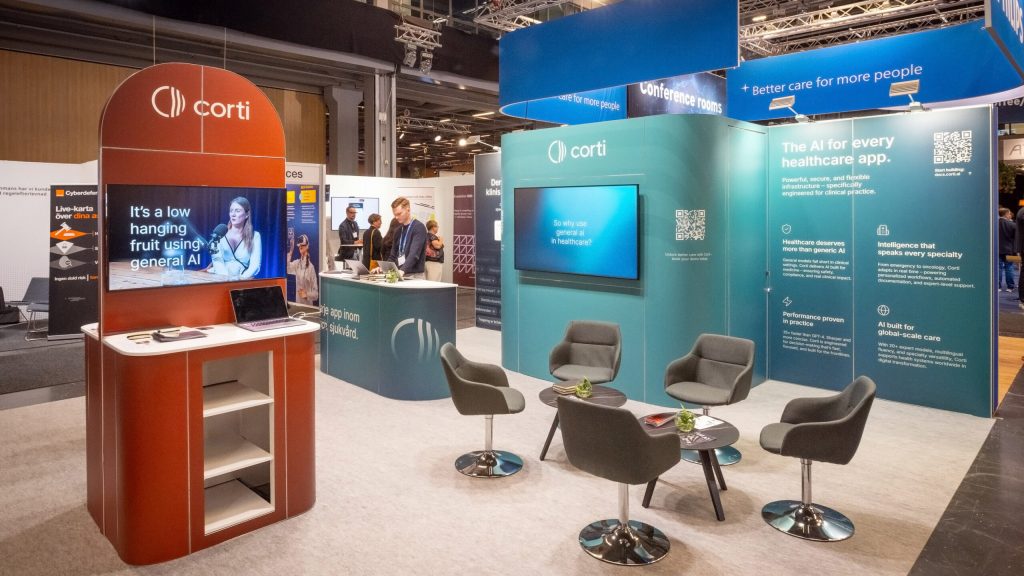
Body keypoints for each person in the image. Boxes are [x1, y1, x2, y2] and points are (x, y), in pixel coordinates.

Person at [209, 196, 261, 279]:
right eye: (231, 211)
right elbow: (217, 261)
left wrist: (241, 279)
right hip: (219, 278)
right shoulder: (220, 233)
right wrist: (227, 280)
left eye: (237, 211)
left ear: (247, 214)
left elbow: (255, 266)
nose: (233, 214)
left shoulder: (255, 236)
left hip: (242, 280)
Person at [387, 196, 427, 278]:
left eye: (399, 214)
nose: (396, 217)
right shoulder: (398, 231)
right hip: (399, 273)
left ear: (408, 209)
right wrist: (384, 268)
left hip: (414, 275)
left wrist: (403, 270)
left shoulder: (419, 227)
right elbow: (393, 256)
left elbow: (414, 254)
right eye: (395, 215)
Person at [287, 233, 319, 305]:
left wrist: (306, 294)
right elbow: (287, 269)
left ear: (307, 246)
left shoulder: (311, 268)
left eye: (302, 245)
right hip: (298, 304)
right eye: (299, 246)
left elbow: (316, 294)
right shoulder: (297, 263)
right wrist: (291, 250)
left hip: (308, 306)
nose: (300, 247)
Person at [999, 207, 1016, 293]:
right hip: (1010, 250)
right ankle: (1010, 287)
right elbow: (1016, 238)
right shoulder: (1012, 225)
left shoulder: (994, 224)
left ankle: (998, 287)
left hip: (997, 250)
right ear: (1006, 214)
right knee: (1009, 268)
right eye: (1009, 213)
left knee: (998, 268)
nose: (1010, 215)